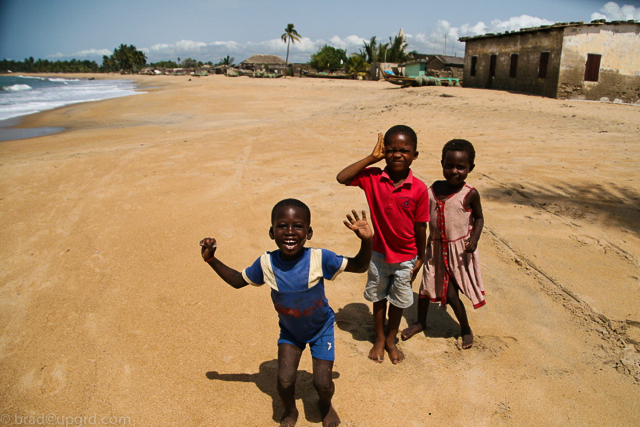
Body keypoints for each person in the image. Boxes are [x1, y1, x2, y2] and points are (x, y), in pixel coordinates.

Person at [199, 198, 372, 427]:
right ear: (272, 232)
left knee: (323, 383)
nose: (290, 232)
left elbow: (359, 266)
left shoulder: (320, 258)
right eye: (282, 226)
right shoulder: (266, 263)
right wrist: (211, 259)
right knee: (284, 381)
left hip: (321, 329)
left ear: (309, 232)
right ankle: (290, 411)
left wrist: (367, 242)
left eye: (298, 226)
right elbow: (237, 280)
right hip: (291, 332)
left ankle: (325, 404)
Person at [336, 125, 429, 364]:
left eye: (404, 151)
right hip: (378, 254)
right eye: (390, 150)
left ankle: (391, 339)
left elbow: (421, 227)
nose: (397, 155)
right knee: (378, 298)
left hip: (407, 257)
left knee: (398, 301)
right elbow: (342, 177)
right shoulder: (373, 177)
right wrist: (371, 158)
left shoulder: (418, 189)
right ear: (383, 152)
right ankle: (379, 338)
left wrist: (421, 257)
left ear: (415, 155)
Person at [401, 139, 485, 349]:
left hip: (459, 251)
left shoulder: (470, 194)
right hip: (435, 249)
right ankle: (420, 322)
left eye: (461, 167)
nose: (454, 171)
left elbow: (480, 218)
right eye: (449, 165)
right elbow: (420, 216)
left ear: (470, 168)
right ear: (442, 164)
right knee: (425, 287)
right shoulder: (433, 189)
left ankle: (465, 327)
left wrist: (474, 238)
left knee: (450, 293)